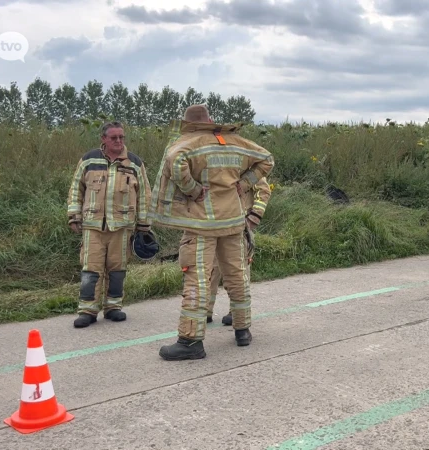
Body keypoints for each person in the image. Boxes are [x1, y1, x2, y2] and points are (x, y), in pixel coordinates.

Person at [149, 104, 274, 360]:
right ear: (210, 120)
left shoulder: (189, 142)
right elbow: (267, 159)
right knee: (237, 274)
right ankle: (243, 330)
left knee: (197, 277)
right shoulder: (236, 142)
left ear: (189, 124)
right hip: (233, 219)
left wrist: (193, 189)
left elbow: (174, 161)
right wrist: (244, 183)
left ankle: (191, 341)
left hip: (202, 222)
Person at [66, 121, 152, 328]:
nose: (118, 141)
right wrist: (74, 215)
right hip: (92, 226)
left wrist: (144, 224)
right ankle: (87, 310)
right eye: (114, 138)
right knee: (91, 269)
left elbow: (145, 195)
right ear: (103, 139)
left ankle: (113, 307)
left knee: (117, 269)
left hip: (122, 227)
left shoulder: (134, 163)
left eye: (121, 137)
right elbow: (76, 189)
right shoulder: (89, 160)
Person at [206, 176, 271, 326]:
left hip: (239, 225)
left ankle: (236, 312)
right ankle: (206, 310)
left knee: (238, 269)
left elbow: (263, 189)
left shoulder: (246, 161)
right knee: (211, 268)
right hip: (215, 224)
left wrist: (254, 217)